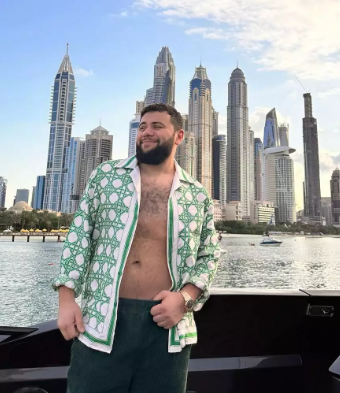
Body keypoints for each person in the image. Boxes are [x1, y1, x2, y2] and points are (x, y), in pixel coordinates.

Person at [52, 103, 221, 393]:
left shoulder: (197, 194)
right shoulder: (106, 176)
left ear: (179, 136)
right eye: (142, 126)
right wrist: (66, 300)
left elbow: (209, 254)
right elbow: (79, 237)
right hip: (102, 318)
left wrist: (185, 299)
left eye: (157, 126)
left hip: (167, 326)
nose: (146, 132)